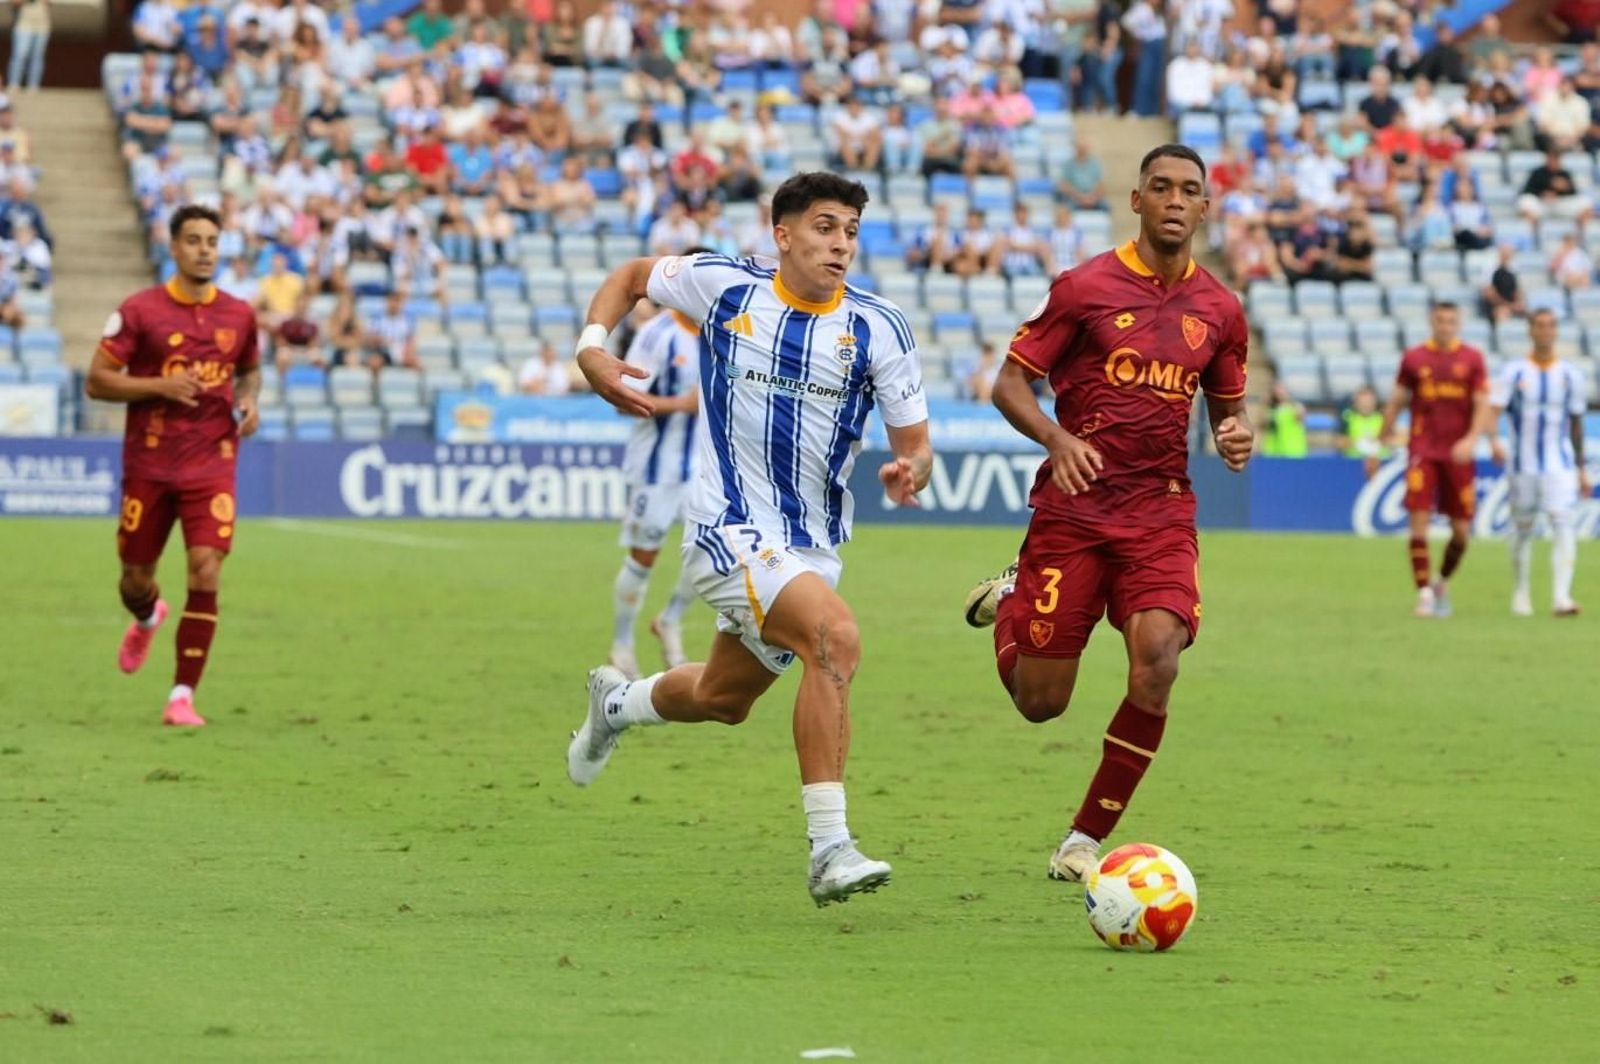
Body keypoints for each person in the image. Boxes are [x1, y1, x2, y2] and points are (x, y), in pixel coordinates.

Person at [567, 172, 933, 907]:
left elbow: (916, 445)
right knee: (836, 639)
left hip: (811, 549)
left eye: (852, 232)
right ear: (784, 235)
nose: (840, 244)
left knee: (722, 697)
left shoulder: (880, 327)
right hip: (724, 527)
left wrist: (909, 471)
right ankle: (830, 847)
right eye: (826, 227)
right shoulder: (724, 288)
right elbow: (632, 275)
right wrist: (592, 347)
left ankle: (616, 707)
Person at [959, 145, 1255, 883]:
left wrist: (1234, 434)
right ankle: (1010, 602)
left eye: (1191, 190)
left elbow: (1228, 408)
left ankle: (1084, 840)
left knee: (1157, 662)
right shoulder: (1086, 286)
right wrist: (1057, 439)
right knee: (1039, 703)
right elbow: (1009, 384)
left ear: (1205, 207)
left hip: (1159, 514)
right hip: (1075, 513)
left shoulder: (1220, 309)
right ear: (1139, 201)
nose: (1176, 201)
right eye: (1162, 187)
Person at [82, 205, 261, 727]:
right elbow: (97, 380)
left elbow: (249, 370)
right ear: (174, 248)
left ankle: (182, 695)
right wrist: (159, 385)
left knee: (205, 569)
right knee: (135, 580)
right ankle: (146, 615)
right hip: (150, 464)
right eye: (194, 240)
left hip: (213, 462)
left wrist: (250, 403)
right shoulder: (140, 312)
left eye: (212, 240)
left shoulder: (239, 315)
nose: (205, 250)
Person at [607, 254, 713, 680]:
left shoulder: (722, 333)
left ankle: (669, 619)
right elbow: (623, 402)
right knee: (644, 557)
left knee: (709, 553)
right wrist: (680, 406)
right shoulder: (656, 335)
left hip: (705, 468)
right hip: (656, 467)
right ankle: (622, 644)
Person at [1378, 302, 1491, 618]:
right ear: (1432, 322)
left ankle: (1441, 581)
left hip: (1458, 455)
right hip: (1422, 451)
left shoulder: (1472, 359)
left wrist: (1472, 440)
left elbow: (1483, 405)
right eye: (1440, 320)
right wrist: (1377, 446)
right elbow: (1396, 402)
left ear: (1459, 323)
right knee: (1418, 522)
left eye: (1451, 320)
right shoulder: (1414, 358)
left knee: (1461, 533)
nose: (1445, 326)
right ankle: (1424, 593)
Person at [1488, 310, 1590, 617]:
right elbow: (1493, 410)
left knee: (1562, 523)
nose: (1545, 331)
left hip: (1558, 464)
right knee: (1522, 530)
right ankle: (1521, 593)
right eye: (1539, 326)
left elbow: (1576, 424)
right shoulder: (1514, 372)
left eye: (1550, 326)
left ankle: (1562, 597)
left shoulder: (1571, 375)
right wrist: (1493, 439)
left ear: (1556, 331)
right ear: (1530, 331)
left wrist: (1581, 468)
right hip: (1522, 466)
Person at [1338, 384, 1389, 479]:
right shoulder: (1348, 418)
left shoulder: (1384, 419)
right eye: (1363, 398)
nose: (1366, 402)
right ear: (1356, 401)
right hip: (1353, 468)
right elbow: (1339, 441)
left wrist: (1377, 443)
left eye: (1369, 398)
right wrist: (1359, 443)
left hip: (1382, 467)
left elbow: (1399, 438)